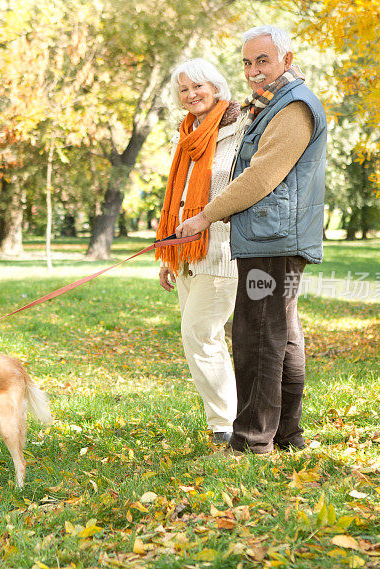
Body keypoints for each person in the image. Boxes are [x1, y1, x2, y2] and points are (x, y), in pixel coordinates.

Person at [176, 25, 327, 457]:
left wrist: (206, 215)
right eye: (246, 62)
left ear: (286, 59)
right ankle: (286, 434)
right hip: (274, 236)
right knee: (283, 335)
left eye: (262, 60)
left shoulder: (294, 107)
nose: (253, 70)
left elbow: (260, 176)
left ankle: (250, 440)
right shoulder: (268, 106)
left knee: (257, 336)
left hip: (273, 240)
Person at [155, 58, 244, 445]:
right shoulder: (187, 133)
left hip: (223, 250)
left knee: (200, 334)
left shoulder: (240, 128)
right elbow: (177, 201)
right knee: (204, 338)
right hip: (188, 253)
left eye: (198, 86)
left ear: (216, 86)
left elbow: (242, 190)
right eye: (184, 89)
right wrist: (168, 254)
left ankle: (224, 424)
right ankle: (230, 418)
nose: (191, 95)